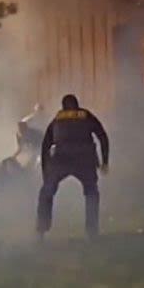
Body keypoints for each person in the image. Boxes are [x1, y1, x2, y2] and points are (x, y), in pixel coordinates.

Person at [37, 94, 109, 241]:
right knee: (91, 192)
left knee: (47, 192)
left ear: (63, 106)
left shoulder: (57, 119)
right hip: (84, 159)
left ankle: (41, 231)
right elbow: (102, 136)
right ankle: (92, 232)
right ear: (77, 104)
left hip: (60, 160)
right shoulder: (86, 115)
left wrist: (45, 173)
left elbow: (45, 146)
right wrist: (105, 161)